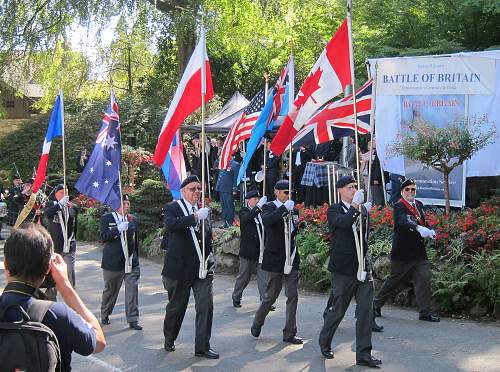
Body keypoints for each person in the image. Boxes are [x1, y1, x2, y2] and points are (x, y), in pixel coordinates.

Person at [0, 223, 106, 371]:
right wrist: (65, 285)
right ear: (48, 268)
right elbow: (99, 341)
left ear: (6, 264)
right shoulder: (58, 315)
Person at [318, 176, 382, 367]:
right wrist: (355, 207)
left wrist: (363, 211)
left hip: (362, 266)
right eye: (349, 187)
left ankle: (363, 354)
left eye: (355, 187)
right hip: (343, 269)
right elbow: (344, 224)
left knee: (365, 313)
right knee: (338, 309)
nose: (354, 190)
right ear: (340, 190)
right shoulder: (334, 210)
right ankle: (325, 340)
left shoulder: (360, 210)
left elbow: (364, 236)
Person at [161, 175, 219, 359]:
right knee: (177, 308)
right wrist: (194, 217)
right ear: (183, 191)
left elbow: (207, 237)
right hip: (180, 268)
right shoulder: (173, 207)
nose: (197, 192)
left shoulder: (203, 210)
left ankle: (202, 346)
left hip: (202, 268)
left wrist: (210, 258)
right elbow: (171, 225)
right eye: (193, 189)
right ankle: (169, 337)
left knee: (205, 307)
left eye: (199, 189)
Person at [373, 178, 440, 322]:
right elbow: (402, 221)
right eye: (407, 189)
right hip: (403, 252)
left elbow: (423, 221)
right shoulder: (399, 206)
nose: (410, 192)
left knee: (424, 277)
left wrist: (430, 230)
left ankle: (425, 312)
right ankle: (375, 304)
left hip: (418, 251)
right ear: (402, 192)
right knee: (394, 280)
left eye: (413, 189)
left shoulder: (419, 205)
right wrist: (417, 227)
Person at [251, 179, 303, 345]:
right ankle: (258, 320)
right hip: (275, 257)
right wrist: (283, 209)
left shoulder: (293, 209)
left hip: (291, 256)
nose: (289, 195)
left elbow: (294, 229)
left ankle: (289, 332)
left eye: (290, 192)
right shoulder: (269, 207)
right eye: (285, 192)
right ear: (277, 192)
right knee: (270, 296)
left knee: (292, 296)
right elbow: (267, 221)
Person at [100, 196, 142, 330]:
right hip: (113, 262)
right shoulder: (107, 218)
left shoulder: (133, 219)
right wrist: (117, 229)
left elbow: (135, 241)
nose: (127, 206)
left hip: (130, 262)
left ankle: (133, 319)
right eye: (124, 204)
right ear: (116, 205)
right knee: (110, 291)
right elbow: (103, 237)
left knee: (132, 291)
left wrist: (135, 258)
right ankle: (105, 313)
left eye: (128, 203)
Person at [232, 190, 269, 308]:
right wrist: (258, 207)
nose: (257, 201)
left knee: (264, 277)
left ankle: (265, 301)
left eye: (258, 199)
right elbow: (247, 218)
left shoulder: (262, 211)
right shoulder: (244, 211)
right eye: (254, 199)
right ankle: (236, 296)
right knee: (244, 276)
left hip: (261, 250)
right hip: (248, 251)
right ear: (248, 200)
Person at [44, 184, 79, 301]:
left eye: (66, 192)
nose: (65, 194)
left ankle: (72, 297)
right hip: (55, 245)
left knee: (70, 271)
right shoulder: (51, 205)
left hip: (69, 245)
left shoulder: (73, 207)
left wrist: (73, 239)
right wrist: (60, 205)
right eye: (62, 192)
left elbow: (75, 226)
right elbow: (47, 214)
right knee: (53, 272)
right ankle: (51, 297)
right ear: (56, 195)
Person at [215, 158, 237, 228]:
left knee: (229, 206)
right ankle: (225, 222)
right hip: (222, 188)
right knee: (223, 206)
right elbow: (215, 164)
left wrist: (235, 188)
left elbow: (236, 178)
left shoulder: (235, 164)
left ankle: (230, 222)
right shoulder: (222, 163)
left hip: (229, 189)